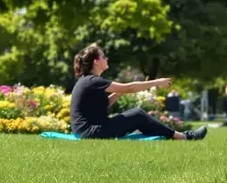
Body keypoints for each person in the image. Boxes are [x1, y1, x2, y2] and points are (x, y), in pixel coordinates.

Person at [70, 44, 207, 141]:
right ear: (96, 62)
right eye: (104, 57)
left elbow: (100, 107)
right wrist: (157, 82)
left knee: (135, 115)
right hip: (90, 133)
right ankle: (182, 137)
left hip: (88, 131)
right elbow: (129, 88)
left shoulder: (89, 81)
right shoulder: (92, 81)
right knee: (137, 114)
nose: (107, 59)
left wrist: (118, 93)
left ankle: (170, 135)